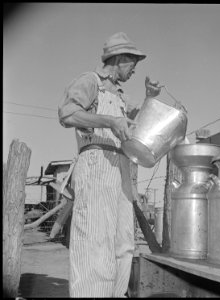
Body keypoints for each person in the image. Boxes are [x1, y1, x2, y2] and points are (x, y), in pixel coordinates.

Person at [58, 32, 161, 297]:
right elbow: (67, 113)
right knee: (95, 241)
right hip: (96, 163)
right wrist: (110, 122)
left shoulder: (118, 94)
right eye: (133, 62)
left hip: (120, 167)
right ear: (119, 59)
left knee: (123, 244)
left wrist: (149, 98)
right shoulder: (89, 81)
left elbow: (131, 123)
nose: (135, 69)